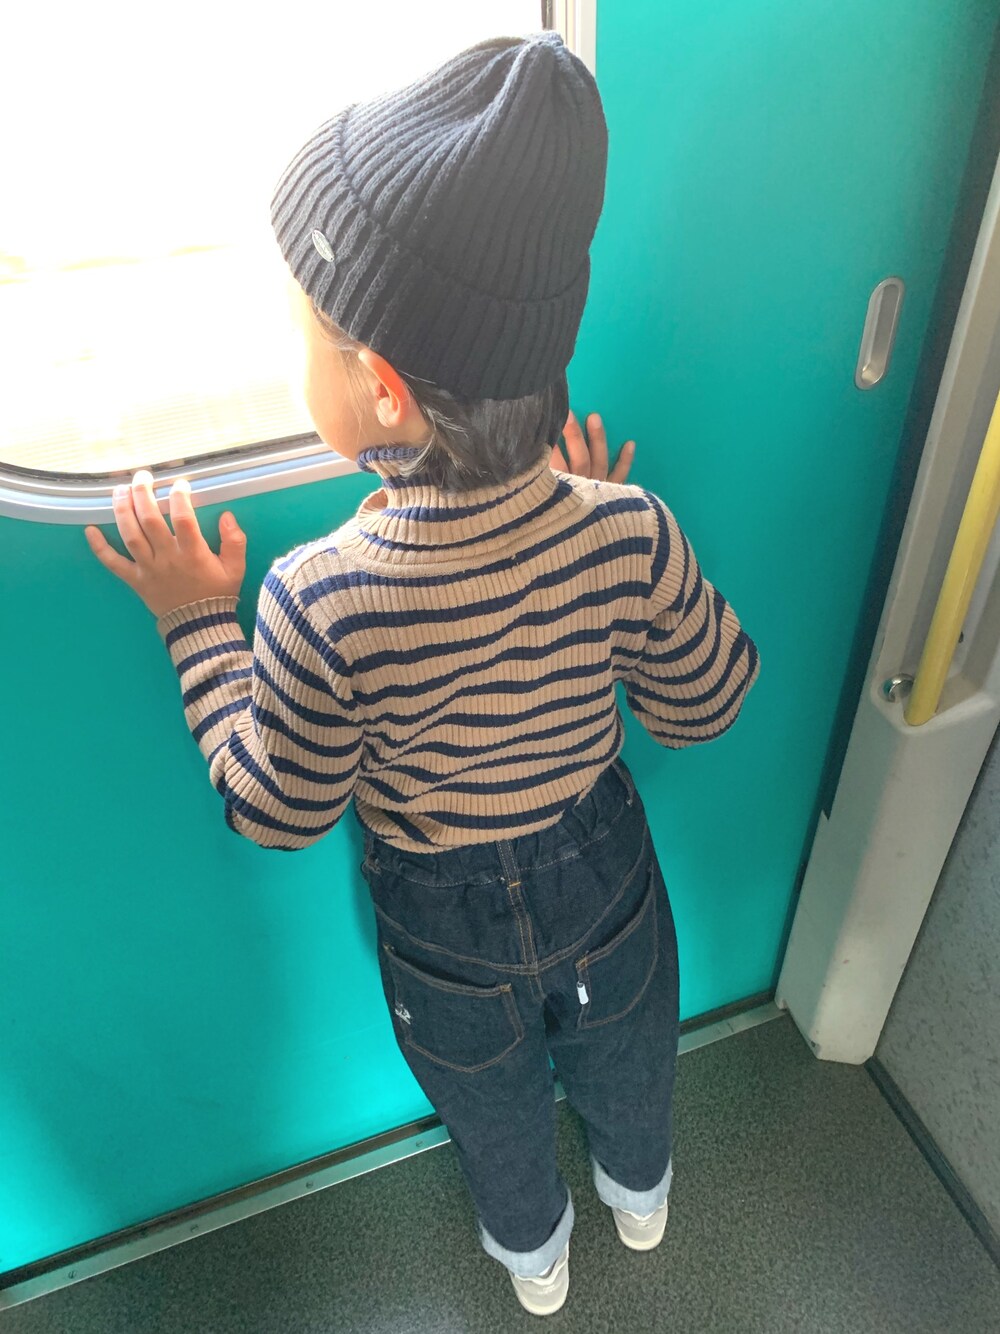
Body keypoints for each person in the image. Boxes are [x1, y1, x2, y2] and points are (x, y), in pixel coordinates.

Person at [84, 31, 760, 1318]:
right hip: (606, 870)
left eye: (305, 338)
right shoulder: (625, 527)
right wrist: (599, 523)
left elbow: (278, 809)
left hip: (444, 918)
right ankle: (642, 1191)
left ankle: (536, 1258)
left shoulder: (322, 594)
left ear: (384, 392)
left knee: (490, 1102)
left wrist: (199, 626)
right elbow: (706, 700)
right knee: (628, 1044)